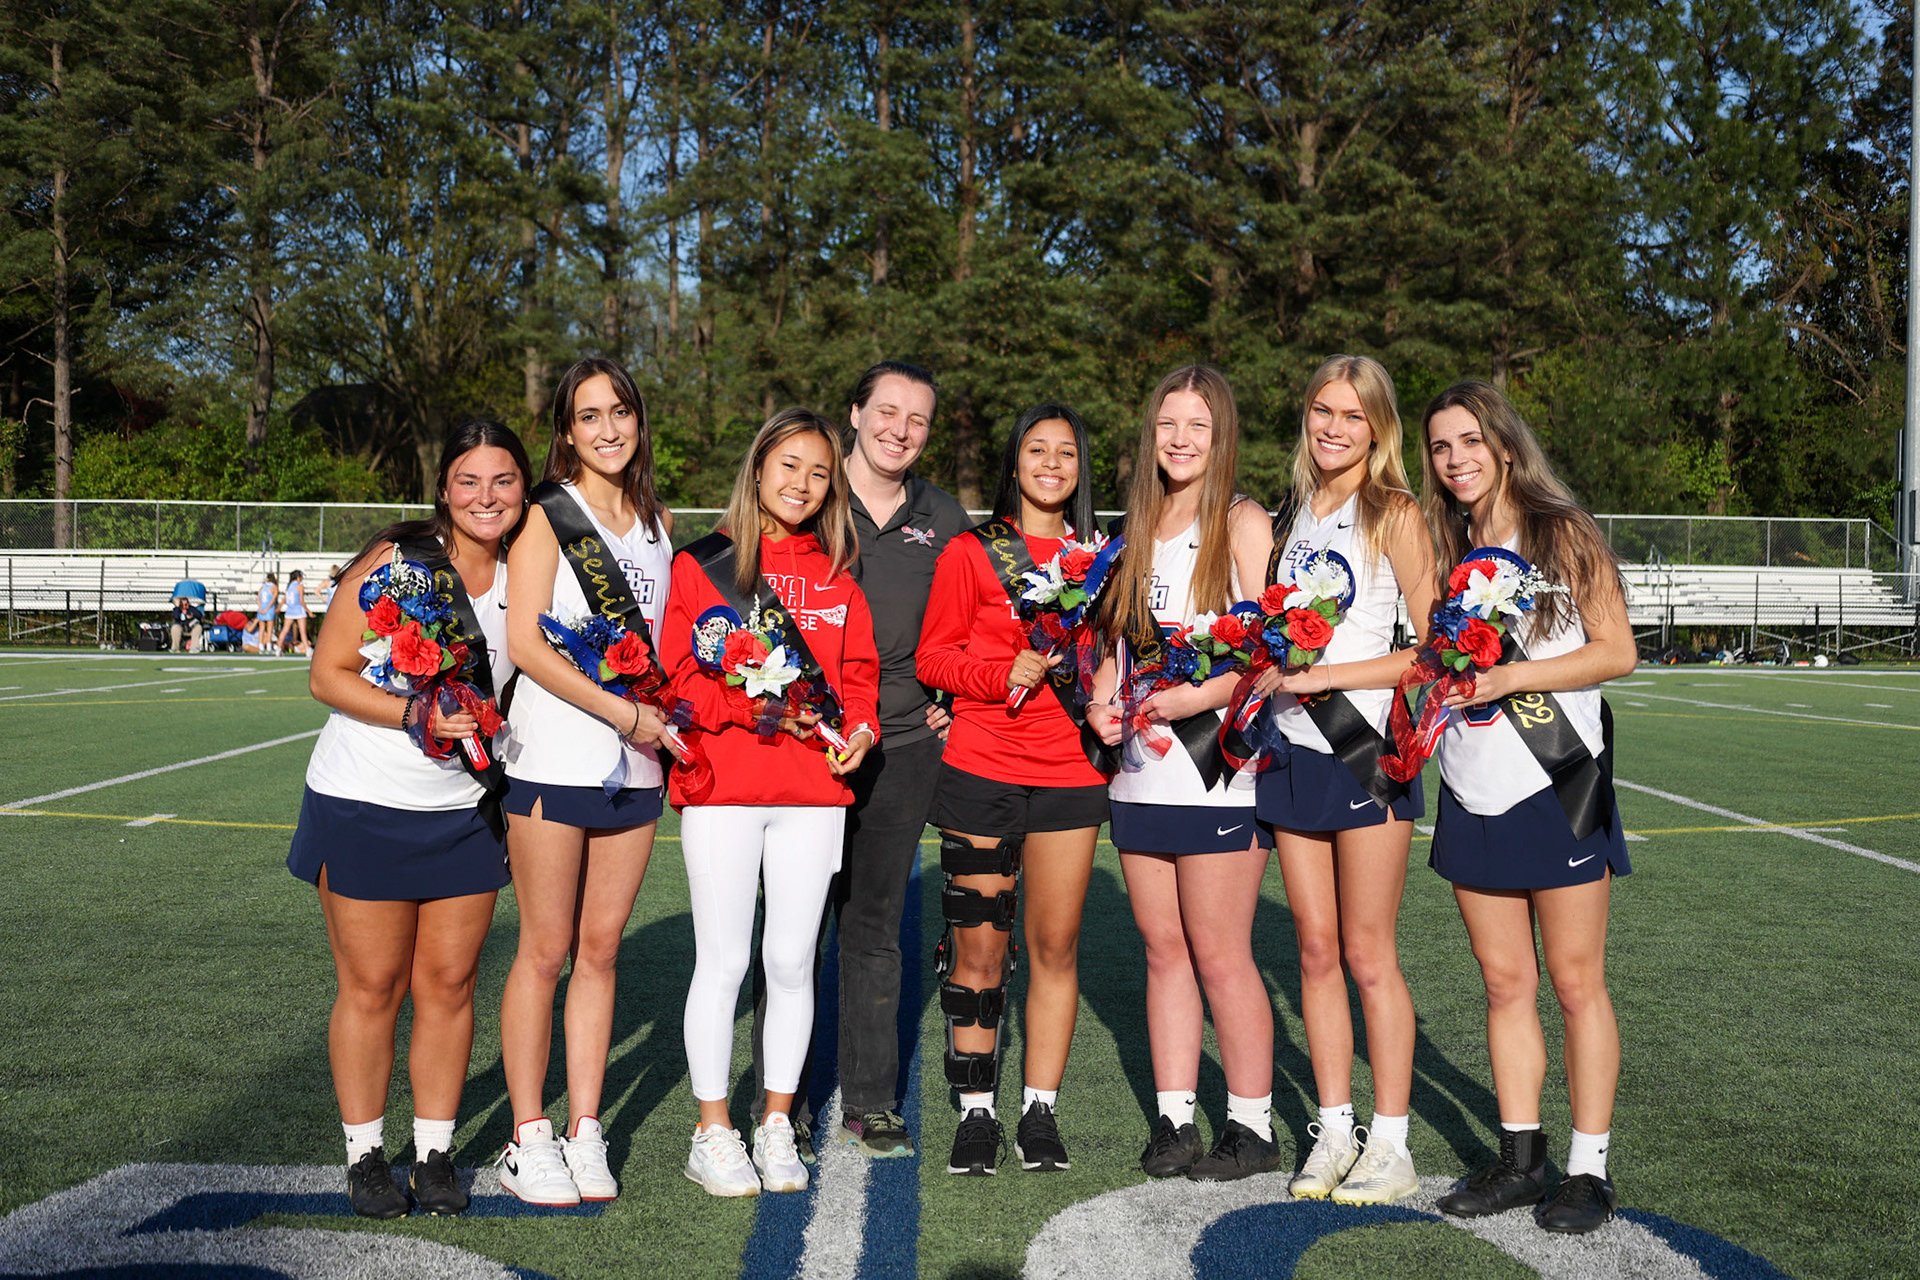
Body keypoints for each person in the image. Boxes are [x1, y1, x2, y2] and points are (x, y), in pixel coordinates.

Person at [285, 419, 530, 1219]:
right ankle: (364, 1155)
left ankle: (434, 1152)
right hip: (365, 800)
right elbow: (328, 675)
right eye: (470, 481)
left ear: (524, 488)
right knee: (372, 987)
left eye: (503, 481)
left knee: (451, 984)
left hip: (466, 810)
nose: (486, 497)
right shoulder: (398, 562)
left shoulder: (535, 567)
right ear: (444, 489)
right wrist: (414, 714)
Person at [1420, 380, 1635, 1234]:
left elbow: (1616, 652)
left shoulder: (1561, 530)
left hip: (1558, 781)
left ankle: (1589, 1170)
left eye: (1469, 440)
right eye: (1440, 447)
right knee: (1505, 984)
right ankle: (1520, 1159)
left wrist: (1512, 675)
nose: (1456, 459)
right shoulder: (1447, 542)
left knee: (1578, 984)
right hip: (1472, 784)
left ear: (1504, 443)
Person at [747, 361, 971, 1161]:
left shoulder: (944, 516)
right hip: (794, 743)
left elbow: (975, 621)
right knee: (792, 928)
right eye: (886, 411)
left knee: (874, 922)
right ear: (855, 412)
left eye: (917, 418)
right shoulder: (804, 493)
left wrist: (954, 688)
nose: (898, 429)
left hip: (902, 742)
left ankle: (871, 1100)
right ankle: (782, 1100)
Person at [661, 408, 880, 1197]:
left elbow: (858, 683)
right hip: (724, 786)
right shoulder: (704, 567)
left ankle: (777, 1123)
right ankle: (711, 1131)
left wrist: (859, 731)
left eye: (819, 473)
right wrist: (754, 710)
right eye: (789, 465)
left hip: (813, 793)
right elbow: (679, 684)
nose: (802, 483)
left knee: (791, 962)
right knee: (721, 962)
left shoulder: (837, 574)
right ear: (758, 469)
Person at [1250, 355, 1438, 1206]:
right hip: (1291, 749)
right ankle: (1333, 1129)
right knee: (1315, 950)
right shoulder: (1294, 513)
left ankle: (1391, 1144)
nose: (1333, 427)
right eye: (1322, 409)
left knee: (1367, 953)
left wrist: (1323, 680)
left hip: (1363, 754)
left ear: (1378, 428)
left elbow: (1437, 650)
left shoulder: (1394, 512)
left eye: (1352, 416)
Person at [1084, 366, 1280, 1181]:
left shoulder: (1241, 520)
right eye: (1168, 423)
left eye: (1197, 425)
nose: (1181, 439)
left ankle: (1253, 1126)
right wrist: (1102, 696)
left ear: (1221, 434)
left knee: (1220, 952)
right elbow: (1115, 645)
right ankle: (1174, 1121)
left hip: (1216, 770)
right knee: (1163, 949)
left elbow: (1273, 655)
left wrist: (1190, 697)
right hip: (1139, 770)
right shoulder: (1132, 527)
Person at [497, 356, 679, 1207]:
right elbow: (529, 648)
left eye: (621, 413)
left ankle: (584, 1128)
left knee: (600, 950)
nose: (609, 429)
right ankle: (528, 1134)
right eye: (589, 415)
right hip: (557, 757)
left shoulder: (654, 519)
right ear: (566, 430)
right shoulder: (544, 516)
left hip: (636, 765)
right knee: (545, 950)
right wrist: (623, 713)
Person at [916, 403, 1110, 1177]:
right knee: (979, 949)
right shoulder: (971, 552)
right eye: (1038, 449)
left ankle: (1039, 1109)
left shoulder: (1101, 560)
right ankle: (975, 1111)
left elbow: (1112, 661)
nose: (1053, 463)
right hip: (982, 765)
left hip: (1071, 773)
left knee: (1054, 947)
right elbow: (933, 659)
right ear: (1015, 461)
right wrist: (999, 675)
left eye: (1067, 452)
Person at [169, 577, 207, 653]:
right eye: (184, 604)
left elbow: (199, 615)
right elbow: (175, 616)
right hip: (182, 627)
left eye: (187, 603)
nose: (186, 605)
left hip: (192, 627)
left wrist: (192, 616)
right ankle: (175, 648)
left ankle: (194, 648)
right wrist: (177, 607)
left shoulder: (192, 609)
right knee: (175, 627)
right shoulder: (177, 610)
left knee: (198, 627)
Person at [279, 569, 312, 656]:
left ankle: (278, 648)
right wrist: (308, 611)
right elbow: (301, 601)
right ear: (298, 577)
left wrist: (279, 607)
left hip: (290, 611)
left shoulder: (289, 586)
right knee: (302, 631)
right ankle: (308, 650)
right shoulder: (300, 586)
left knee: (285, 630)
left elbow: (285, 599)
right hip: (299, 610)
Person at [254, 572, 279, 654]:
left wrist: (260, 608)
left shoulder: (263, 587)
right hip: (269, 610)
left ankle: (261, 646)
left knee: (261, 628)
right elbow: (273, 599)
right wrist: (267, 608)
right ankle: (268, 646)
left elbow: (258, 598)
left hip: (261, 609)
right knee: (269, 629)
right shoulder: (274, 587)